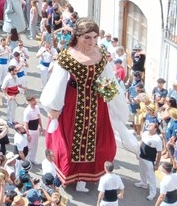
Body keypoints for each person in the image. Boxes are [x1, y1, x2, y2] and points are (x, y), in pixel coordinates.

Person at [40, 18, 135, 192]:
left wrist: (114, 100)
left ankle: (89, 173)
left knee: (102, 143)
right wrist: (54, 107)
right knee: (68, 141)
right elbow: (57, 82)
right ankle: (71, 173)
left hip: (96, 103)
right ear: (78, 36)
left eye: (94, 37)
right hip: (72, 102)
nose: (91, 42)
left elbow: (108, 79)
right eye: (87, 38)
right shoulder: (68, 55)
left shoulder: (100, 53)